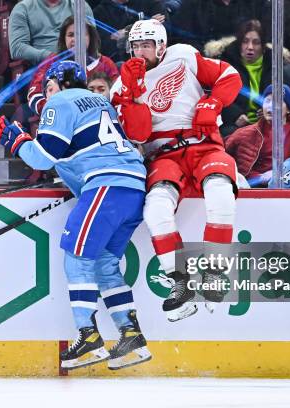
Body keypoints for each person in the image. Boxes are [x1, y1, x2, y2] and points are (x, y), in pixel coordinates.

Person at [0, 61, 151, 370]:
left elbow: (43, 156)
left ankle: (89, 337)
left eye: (49, 87)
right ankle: (131, 337)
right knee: (105, 263)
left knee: (76, 256)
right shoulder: (99, 101)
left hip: (107, 185)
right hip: (132, 187)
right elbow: (80, 151)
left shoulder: (62, 102)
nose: (46, 95)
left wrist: (16, 141)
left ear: (60, 85)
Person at [111, 19, 242, 321]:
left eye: (146, 45)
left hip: (204, 146)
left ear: (161, 45)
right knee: (155, 209)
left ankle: (214, 272)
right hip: (164, 157)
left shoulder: (183, 55)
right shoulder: (121, 84)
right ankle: (179, 282)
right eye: (135, 46)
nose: (140, 52)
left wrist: (213, 102)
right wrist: (131, 95)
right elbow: (140, 135)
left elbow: (229, 75)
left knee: (221, 192)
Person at [204, 19, 290, 136]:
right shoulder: (225, 62)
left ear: (263, 46)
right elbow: (216, 95)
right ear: (239, 44)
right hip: (235, 124)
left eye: (256, 42)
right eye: (245, 42)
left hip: (268, 122)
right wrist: (235, 115)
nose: (250, 47)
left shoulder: (275, 64)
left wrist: (268, 110)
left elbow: (284, 99)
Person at [27, 16, 119, 117]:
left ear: (90, 38)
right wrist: (54, 112)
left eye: (81, 35)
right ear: (64, 38)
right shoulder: (51, 62)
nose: (75, 40)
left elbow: (117, 96)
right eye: (71, 35)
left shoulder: (105, 64)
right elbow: (34, 95)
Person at [225, 84, 290, 186]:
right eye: (267, 101)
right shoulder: (245, 133)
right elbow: (224, 154)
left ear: (289, 109)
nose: (270, 106)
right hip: (256, 189)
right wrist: (260, 177)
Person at [8, 0, 93, 65]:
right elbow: (17, 48)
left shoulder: (81, 6)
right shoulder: (23, 8)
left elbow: (93, 41)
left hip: (80, 64)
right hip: (43, 68)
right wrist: (51, 57)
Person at [93, 0, 168, 62]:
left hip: (156, 58)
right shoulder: (99, 12)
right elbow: (106, 47)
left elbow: (165, 29)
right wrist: (149, 24)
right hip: (122, 65)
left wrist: (127, 31)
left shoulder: (151, 2)